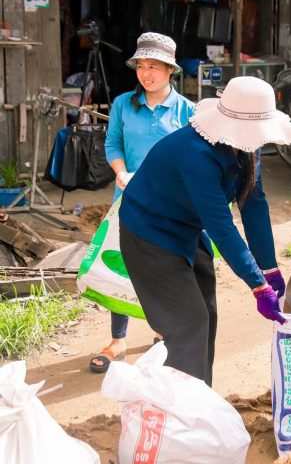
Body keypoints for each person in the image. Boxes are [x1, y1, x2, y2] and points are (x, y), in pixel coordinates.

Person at [118, 76, 291, 386]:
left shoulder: (247, 149)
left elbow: (254, 205)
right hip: (149, 231)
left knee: (207, 311)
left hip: (188, 226)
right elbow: (221, 227)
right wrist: (258, 286)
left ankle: (201, 397)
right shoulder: (196, 153)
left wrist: (270, 270)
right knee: (188, 322)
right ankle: (182, 411)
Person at [90, 32, 195, 373]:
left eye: (154, 66)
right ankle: (118, 340)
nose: (146, 73)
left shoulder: (187, 111)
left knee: (162, 269)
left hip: (168, 206)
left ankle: (162, 332)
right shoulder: (122, 104)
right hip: (128, 200)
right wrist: (121, 172)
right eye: (141, 66)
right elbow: (113, 144)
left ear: (170, 70)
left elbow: (189, 159)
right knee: (122, 265)